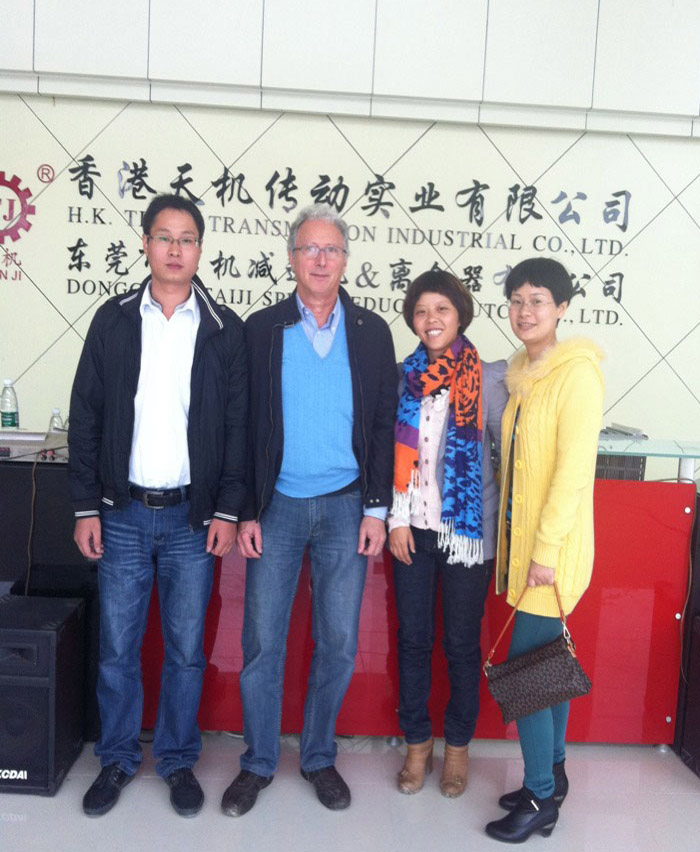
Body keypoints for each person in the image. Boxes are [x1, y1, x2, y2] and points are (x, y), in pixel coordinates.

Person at [68, 193, 247, 818]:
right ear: (145, 243)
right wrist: (84, 506)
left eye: (187, 239)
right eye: (164, 237)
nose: (175, 249)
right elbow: (86, 414)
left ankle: (175, 760)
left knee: (185, 649)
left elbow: (237, 429)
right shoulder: (114, 320)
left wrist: (227, 510)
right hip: (120, 513)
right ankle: (117, 758)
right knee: (117, 647)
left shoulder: (223, 329)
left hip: (191, 520)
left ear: (200, 249)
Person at [221, 204, 397, 817]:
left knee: (340, 641)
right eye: (309, 249)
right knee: (262, 641)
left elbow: (382, 424)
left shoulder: (371, 331)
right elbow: (242, 425)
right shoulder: (261, 328)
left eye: (331, 250)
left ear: (345, 260)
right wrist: (246, 510)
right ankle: (258, 762)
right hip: (276, 507)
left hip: (348, 506)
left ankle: (319, 756)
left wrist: (377, 509)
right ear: (291, 258)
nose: (320, 260)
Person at [485, 257, 604, 843]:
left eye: (537, 300)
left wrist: (546, 551)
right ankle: (553, 775)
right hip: (524, 550)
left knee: (527, 676)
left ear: (561, 307)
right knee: (546, 667)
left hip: (549, 555)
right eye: (516, 300)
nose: (524, 311)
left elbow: (573, 472)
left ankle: (538, 799)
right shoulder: (521, 373)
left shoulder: (576, 374)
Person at [388, 270, 507, 798]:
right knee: (413, 641)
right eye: (421, 311)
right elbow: (386, 454)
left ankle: (457, 747)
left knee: (460, 644)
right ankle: (417, 745)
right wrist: (395, 519)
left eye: (441, 309)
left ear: (460, 315)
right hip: (411, 531)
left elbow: (511, 457)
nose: (431, 319)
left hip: (467, 536)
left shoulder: (490, 379)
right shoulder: (402, 378)